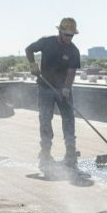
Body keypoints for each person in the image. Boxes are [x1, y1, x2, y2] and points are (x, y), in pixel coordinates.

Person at [25, 17, 82, 176]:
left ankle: (70, 156)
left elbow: (71, 72)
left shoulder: (73, 51)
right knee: (45, 119)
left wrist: (65, 89)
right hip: (45, 88)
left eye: (71, 36)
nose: (69, 38)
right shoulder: (46, 43)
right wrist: (32, 64)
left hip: (63, 89)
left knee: (69, 120)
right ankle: (45, 154)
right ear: (59, 32)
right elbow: (28, 49)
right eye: (66, 35)